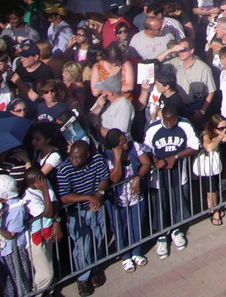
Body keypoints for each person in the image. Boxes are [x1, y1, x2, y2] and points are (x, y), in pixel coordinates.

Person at [142, 105, 199, 259]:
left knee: (178, 202)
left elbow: (195, 146)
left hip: (178, 174)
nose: (168, 124)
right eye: (166, 121)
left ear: (177, 117)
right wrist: (155, 160)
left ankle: (176, 230)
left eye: (171, 120)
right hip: (159, 178)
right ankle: (161, 235)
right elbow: (145, 149)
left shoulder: (185, 125)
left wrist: (176, 157)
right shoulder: (153, 128)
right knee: (161, 204)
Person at [55, 141, 111, 296]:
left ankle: (95, 269)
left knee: (98, 238)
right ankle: (82, 277)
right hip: (77, 212)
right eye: (71, 157)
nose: (73, 161)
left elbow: (105, 178)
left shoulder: (97, 159)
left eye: (77, 158)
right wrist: (87, 197)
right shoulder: (64, 169)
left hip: (96, 208)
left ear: (87, 155)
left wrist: (99, 193)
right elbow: (64, 196)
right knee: (82, 246)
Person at [104, 129, 152, 274]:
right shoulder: (106, 156)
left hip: (135, 196)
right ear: (115, 146)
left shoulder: (134, 146)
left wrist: (137, 177)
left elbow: (146, 163)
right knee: (121, 228)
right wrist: (117, 159)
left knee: (136, 224)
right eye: (122, 143)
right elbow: (114, 178)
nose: (126, 143)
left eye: (125, 140)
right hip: (118, 201)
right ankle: (125, 256)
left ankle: (137, 252)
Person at [0, 174, 32, 297]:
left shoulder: (17, 208)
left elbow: (11, 235)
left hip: (12, 249)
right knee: (1, 282)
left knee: (19, 281)